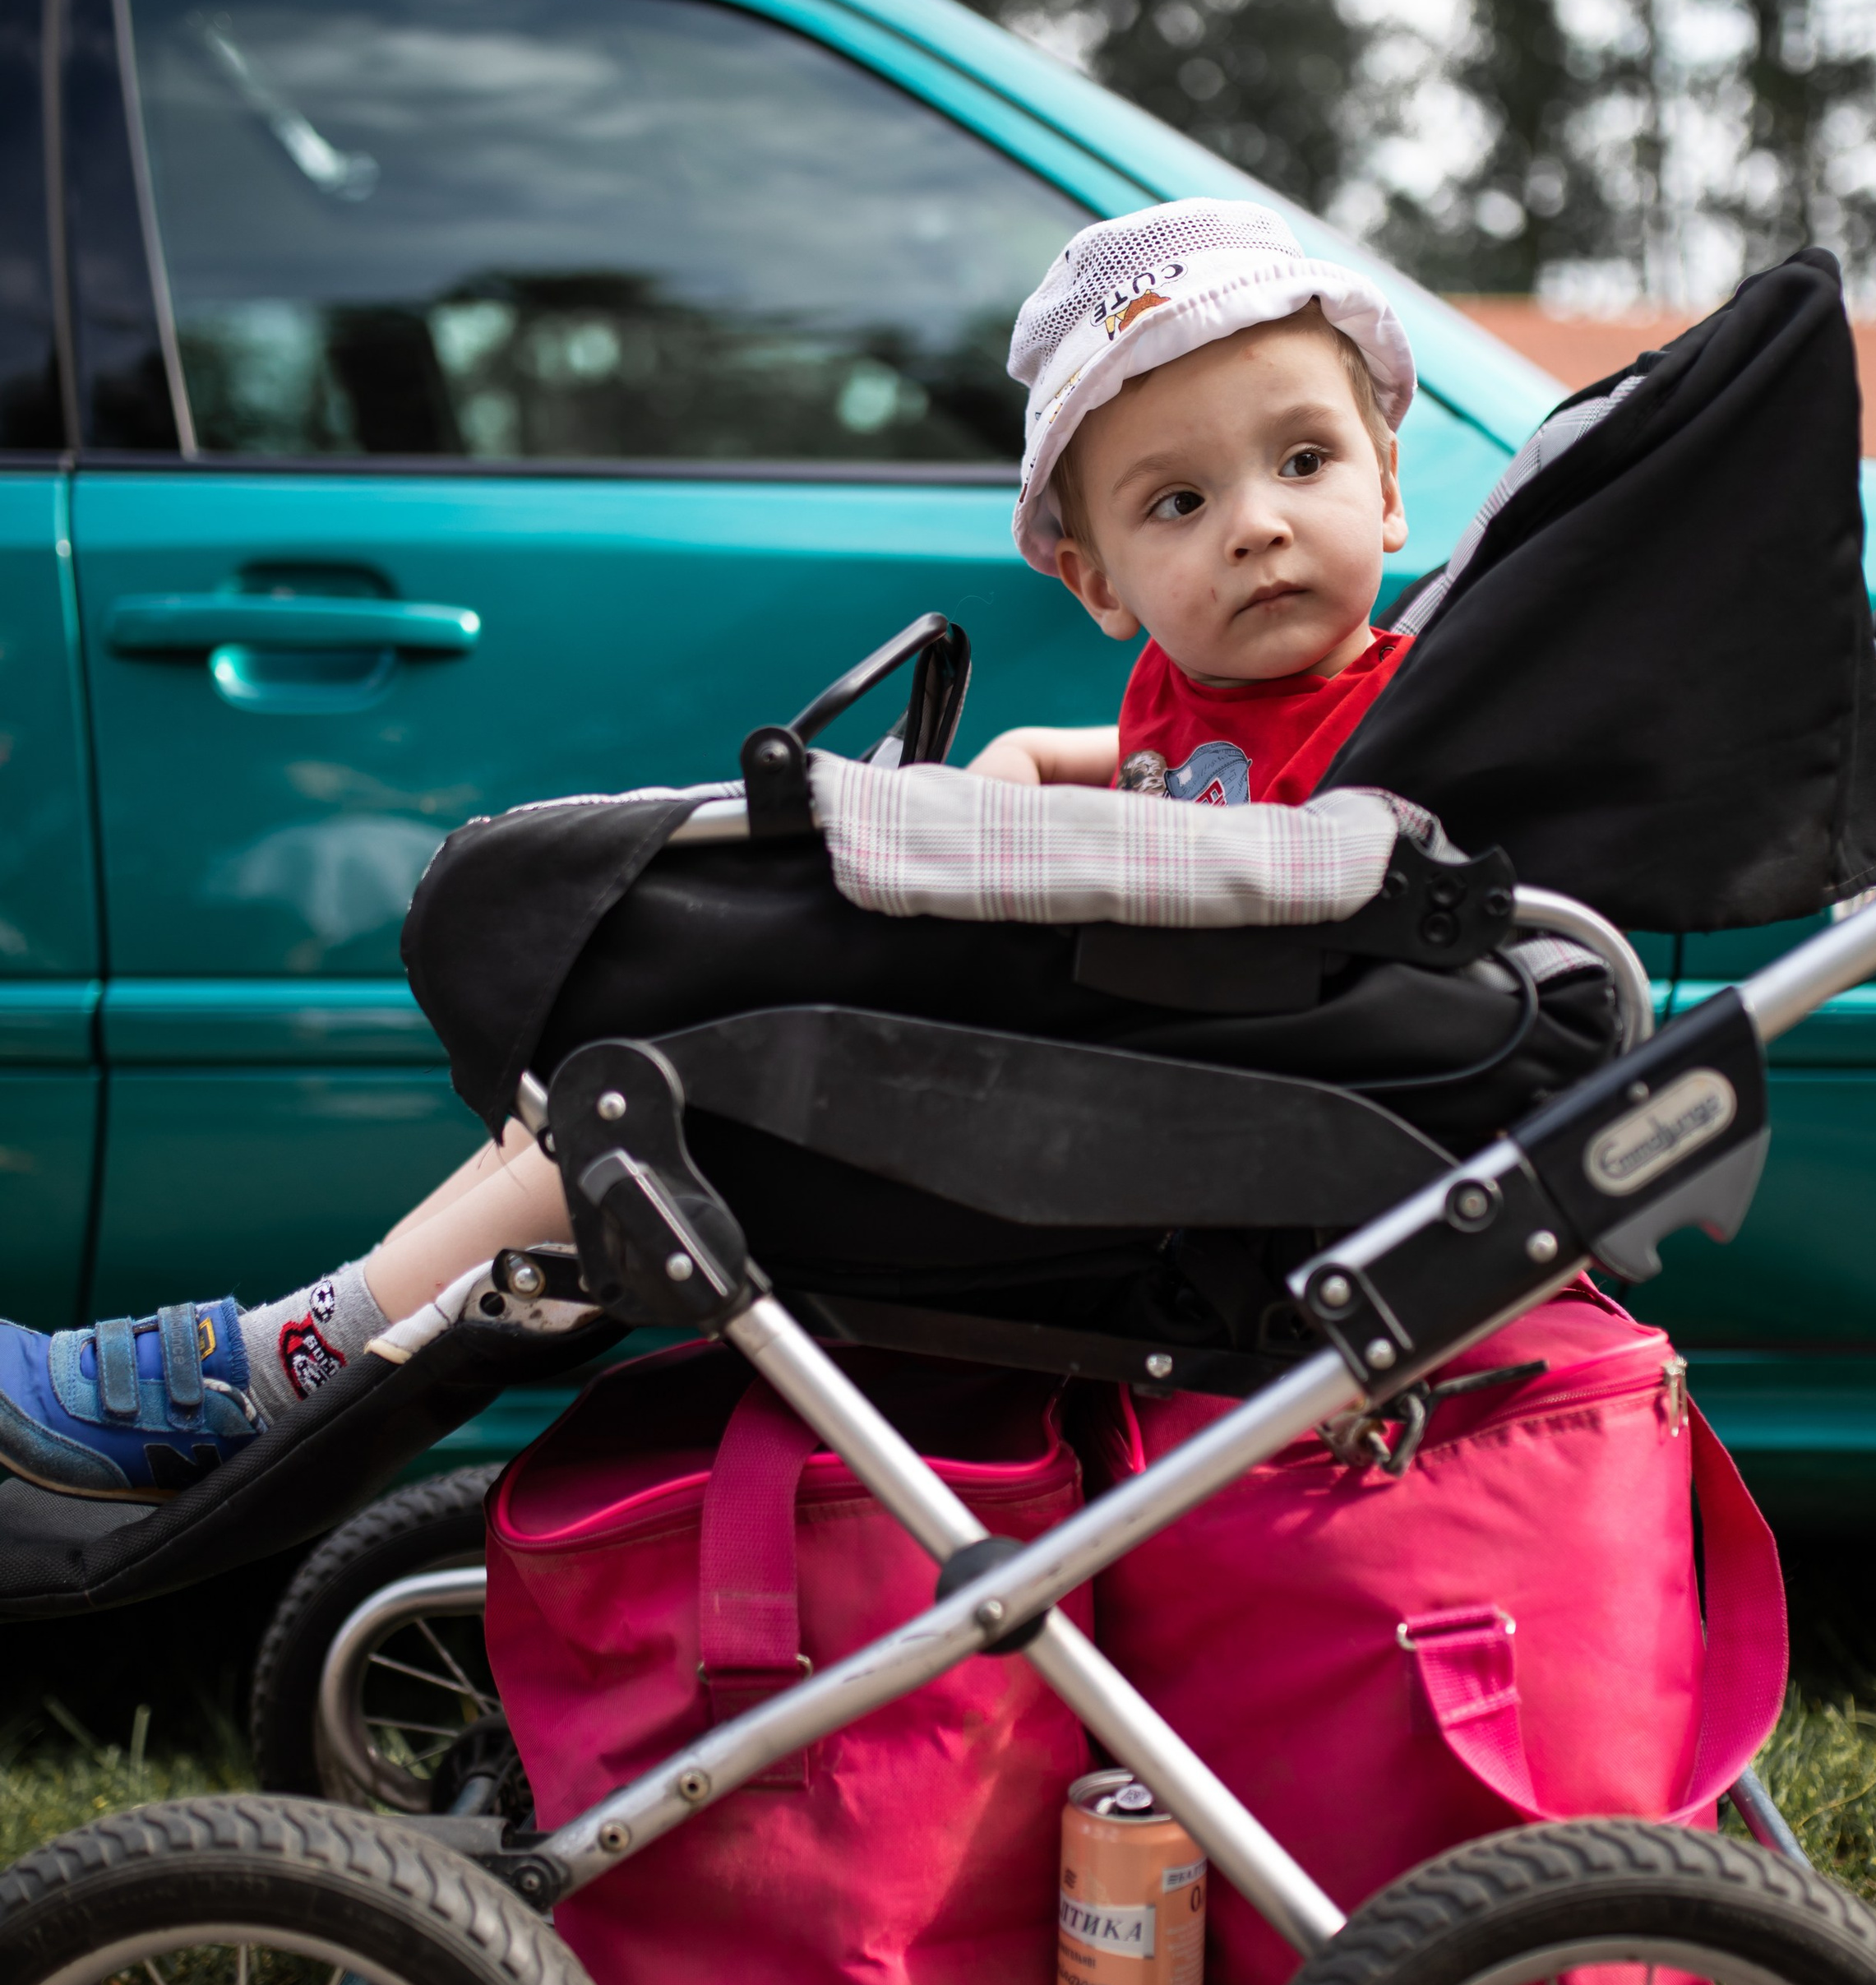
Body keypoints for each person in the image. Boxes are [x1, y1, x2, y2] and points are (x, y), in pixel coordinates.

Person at [0, 198, 1421, 1501]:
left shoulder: (1390, 721)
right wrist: (1025, 772)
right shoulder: (1214, 691)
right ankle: (285, 1355)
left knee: (648, 1105)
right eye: (1180, 502)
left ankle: (274, 1365)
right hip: (1112, 1099)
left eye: (1304, 462)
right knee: (590, 1114)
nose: (1258, 526)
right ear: (1098, 584)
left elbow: (1307, 843)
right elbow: (1165, 777)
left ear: (1390, 490)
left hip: (1173, 1142)